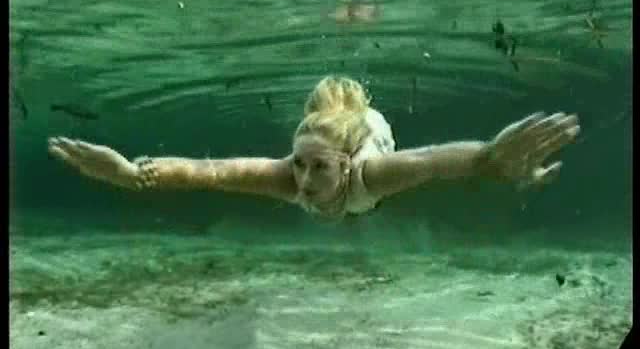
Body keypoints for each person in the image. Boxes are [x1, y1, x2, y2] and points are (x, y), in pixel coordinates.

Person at [48, 76, 580, 219]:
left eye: (318, 168)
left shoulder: (371, 175)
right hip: (341, 137)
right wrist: (132, 174)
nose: (302, 181)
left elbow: (436, 162)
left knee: (464, 185)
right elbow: (207, 172)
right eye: (299, 164)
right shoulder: (287, 175)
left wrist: (491, 159)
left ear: (345, 167)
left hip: (372, 131)